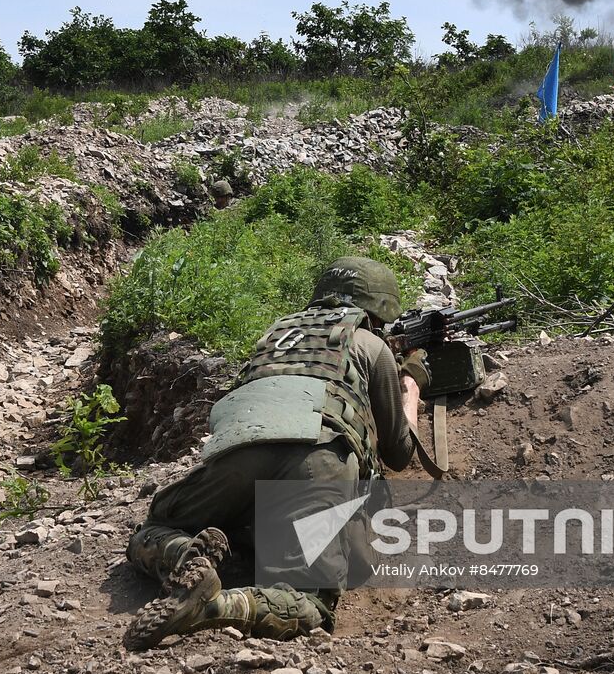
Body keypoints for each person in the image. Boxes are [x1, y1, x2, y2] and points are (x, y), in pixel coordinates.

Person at [123, 256, 426, 650]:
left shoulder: (275, 333)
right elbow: (400, 453)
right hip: (316, 456)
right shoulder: (371, 345)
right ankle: (215, 605)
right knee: (312, 600)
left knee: (149, 531)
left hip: (237, 452)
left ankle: (185, 554)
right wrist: (411, 386)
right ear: (378, 310)